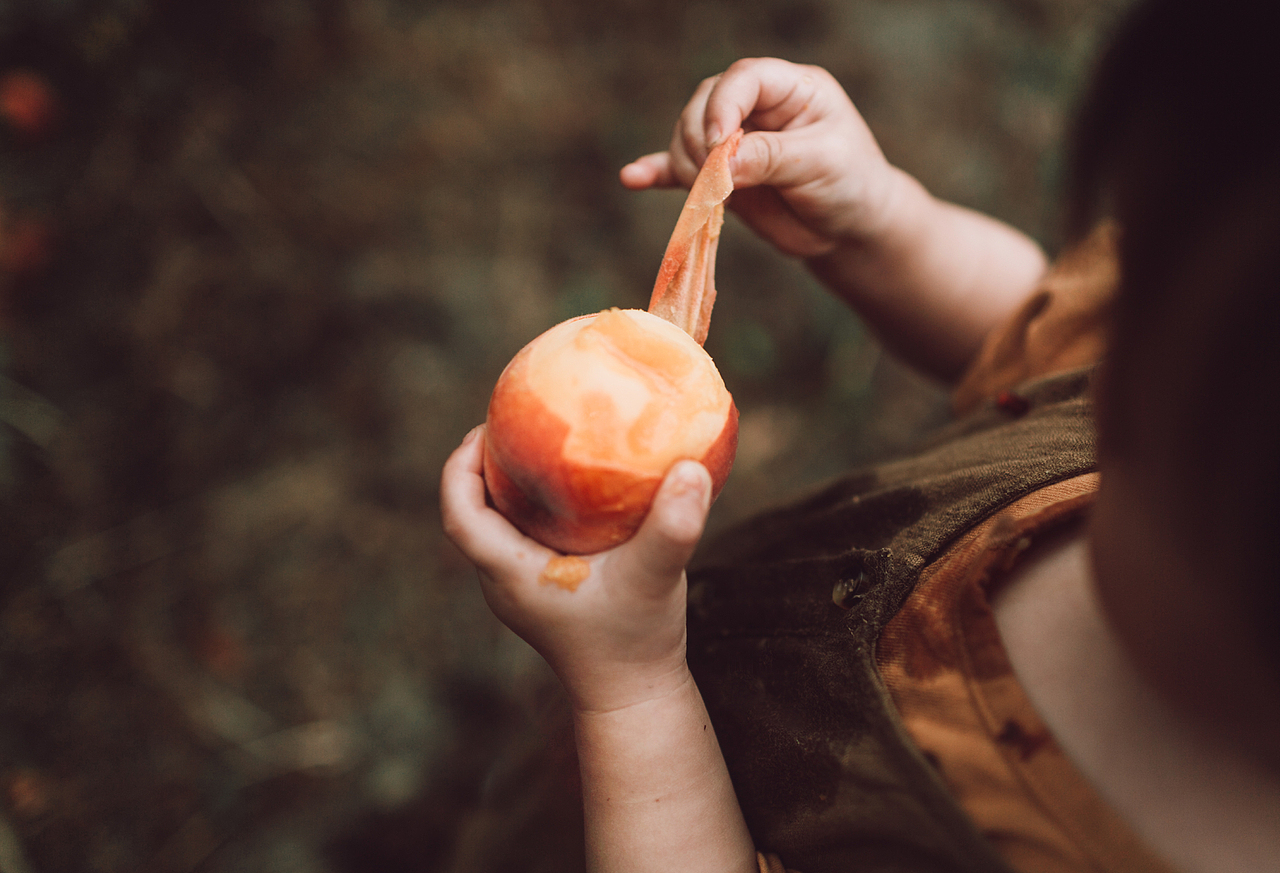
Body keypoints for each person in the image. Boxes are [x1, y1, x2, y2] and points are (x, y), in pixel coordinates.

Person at [439, 0, 1280, 870]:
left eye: (1124, 425)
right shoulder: (1217, 351)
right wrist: (883, 227)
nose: (1098, 399)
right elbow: (1036, 334)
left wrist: (628, 692)